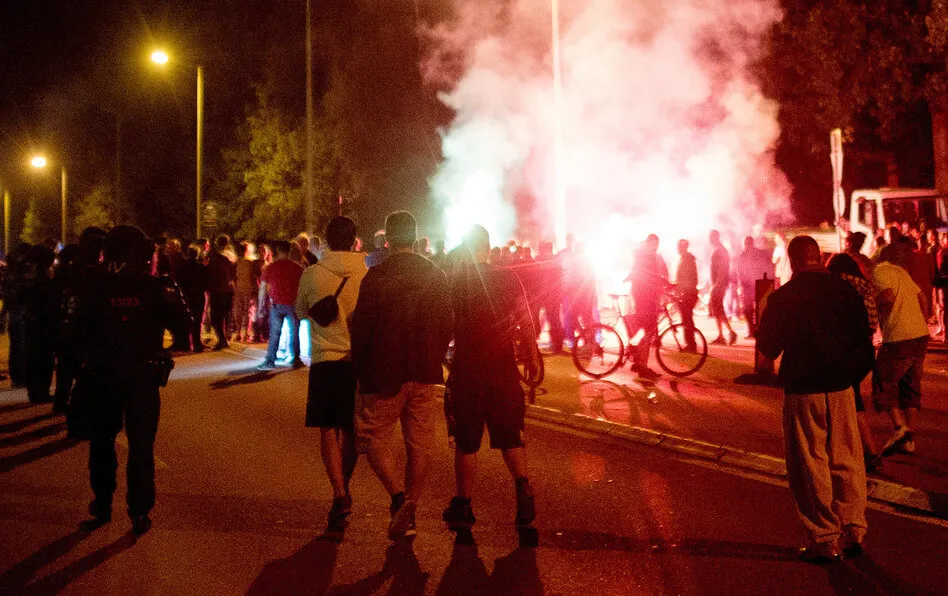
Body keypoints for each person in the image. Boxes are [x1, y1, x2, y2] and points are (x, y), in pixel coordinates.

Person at [757, 235, 873, 563]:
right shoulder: (845, 290)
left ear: (793, 261)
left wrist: (765, 309)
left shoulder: (783, 297)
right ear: (819, 258)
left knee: (811, 463)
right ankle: (854, 529)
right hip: (841, 387)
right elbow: (864, 341)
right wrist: (850, 377)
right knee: (847, 458)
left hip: (804, 388)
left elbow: (768, 348)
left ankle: (826, 538)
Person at [77, 225, 190, 535]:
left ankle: (102, 503)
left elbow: (75, 331)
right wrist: (164, 350)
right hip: (142, 377)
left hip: (103, 376)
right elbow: (183, 326)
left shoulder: (95, 287)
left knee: (102, 443)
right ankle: (139, 511)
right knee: (141, 446)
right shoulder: (155, 288)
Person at [350, 211, 453, 539]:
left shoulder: (377, 277)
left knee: (370, 436)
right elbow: (447, 322)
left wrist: (359, 368)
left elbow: (362, 330)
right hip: (424, 370)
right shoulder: (435, 274)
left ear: (388, 240)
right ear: (417, 237)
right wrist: (435, 355)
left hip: (386, 372)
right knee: (419, 444)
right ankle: (411, 507)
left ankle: (398, 498)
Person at [442, 225, 538, 532]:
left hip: (468, 371)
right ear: (488, 247)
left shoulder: (455, 283)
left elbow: (446, 327)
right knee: (511, 435)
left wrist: (444, 357)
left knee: (467, 442)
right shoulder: (509, 278)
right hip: (503, 370)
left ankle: (464, 505)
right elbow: (525, 321)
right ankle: (523, 490)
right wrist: (533, 358)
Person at [295, 216, 368, 532]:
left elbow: (300, 311)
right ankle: (345, 484)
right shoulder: (368, 273)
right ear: (355, 241)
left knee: (328, 429)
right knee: (352, 430)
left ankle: (338, 491)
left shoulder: (312, 274)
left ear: (325, 240)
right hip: (358, 361)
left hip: (325, 360)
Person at [872, 237, 930, 457]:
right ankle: (910, 440)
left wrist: (874, 313)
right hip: (919, 335)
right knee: (910, 386)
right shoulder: (902, 273)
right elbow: (922, 297)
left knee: (882, 381)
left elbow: (887, 296)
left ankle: (900, 427)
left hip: (899, 337)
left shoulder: (879, 271)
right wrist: (921, 322)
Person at [827, 253, 882, 472]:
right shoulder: (865, 287)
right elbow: (872, 323)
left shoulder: (841, 288)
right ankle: (857, 451)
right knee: (850, 398)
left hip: (849, 351)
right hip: (865, 351)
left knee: (846, 400)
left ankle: (868, 453)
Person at [625, 234, 668, 379]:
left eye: (657, 244)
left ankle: (638, 362)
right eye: (653, 244)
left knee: (644, 331)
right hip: (646, 300)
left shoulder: (644, 256)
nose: (655, 247)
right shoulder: (648, 258)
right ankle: (643, 367)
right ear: (648, 244)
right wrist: (665, 285)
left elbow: (638, 274)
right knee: (648, 333)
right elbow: (651, 278)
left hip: (643, 298)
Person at [257, 240, 304, 370]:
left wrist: (260, 307)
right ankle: (295, 359)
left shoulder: (270, 267)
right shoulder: (298, 268)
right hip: (293, 304)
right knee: (295, 333)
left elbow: (262, 289)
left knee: (275, 334)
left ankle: (270, 361)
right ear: (289, 251)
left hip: (276, 305)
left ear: (277, 251)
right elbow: (304, 287)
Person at [736, 236, 775, 338]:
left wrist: (741, 283)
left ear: (745, 244)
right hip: (761, 283)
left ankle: (752, 331)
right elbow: (769, 266)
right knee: (760, 309)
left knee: (748, 309)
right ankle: (760, 330)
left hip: (749, 285)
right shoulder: (761, 253)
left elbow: (740, 271)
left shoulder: (744, 255)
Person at [175, 245, 209, 353]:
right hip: (198, 295)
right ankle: (197, 344)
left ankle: (187, 343)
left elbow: (179, 281)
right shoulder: (201, 267)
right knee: (197, 319)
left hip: (187, 295)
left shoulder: (182, 267)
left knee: (188, 319)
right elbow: (206, 281)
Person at [207, 235, 236, 350]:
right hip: (228, 289)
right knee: (226, 316)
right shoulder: (231, 256)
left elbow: (212, 274)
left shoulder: (215, 258)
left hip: (218, 290)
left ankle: (222, 340)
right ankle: (226, 339)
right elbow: (234, 273)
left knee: (216, 318)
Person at [709, 229, 737, 345]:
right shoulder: (719, 250)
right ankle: (721, 335)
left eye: (711, 237)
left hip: (719, 284)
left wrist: (717, 284)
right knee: (717, 309)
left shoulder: (720, 250)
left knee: (718, 309)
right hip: (719, 283)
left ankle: (730, 332)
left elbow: (722, 268)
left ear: (716, 237)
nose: (709, 239)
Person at [231, 241, 260, 343]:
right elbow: (257, 276)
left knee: (239, 311)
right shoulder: (251, 263)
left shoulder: (235, 263)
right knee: (247, 312)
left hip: (239, 289)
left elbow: (232, 278)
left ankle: (239, 332)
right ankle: (245, 333)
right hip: (249, 290)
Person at [674, 239, 699, 351]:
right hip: (687, 293)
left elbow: (689, 279)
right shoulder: (685, 259)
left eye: (680, 246)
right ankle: (690, 343)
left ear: (684, 247)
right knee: (687, 318)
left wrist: (680, 288)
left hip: (688, 293)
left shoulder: (687, 260)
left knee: (687, 318)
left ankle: (691, 344)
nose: (678, 248)